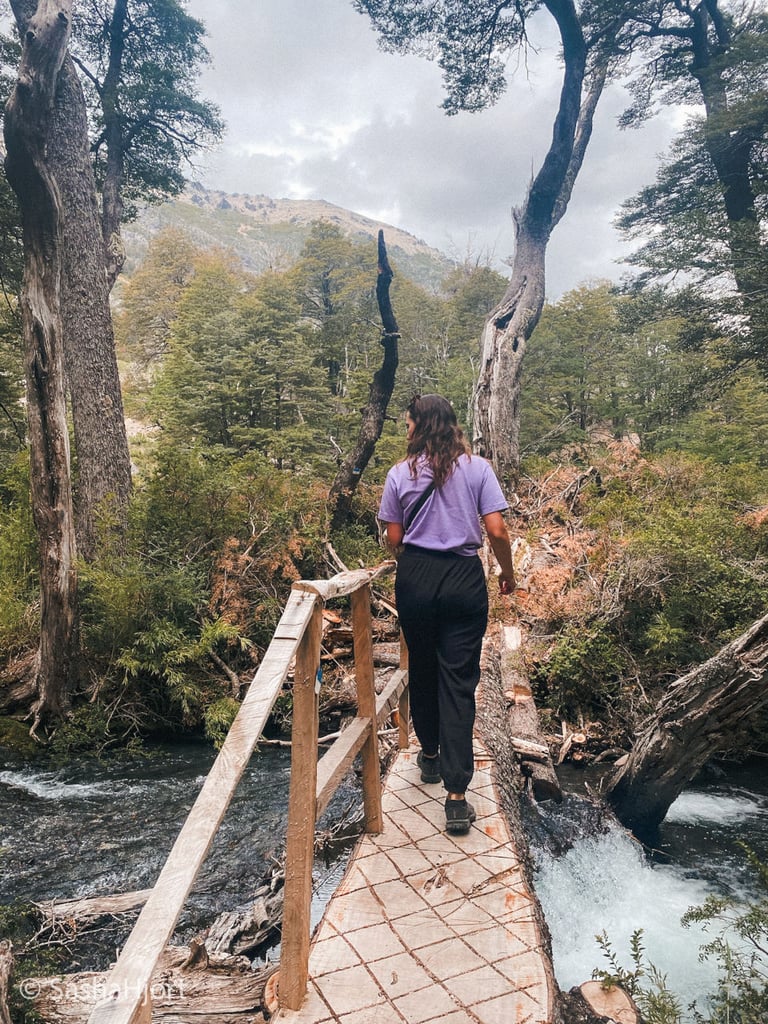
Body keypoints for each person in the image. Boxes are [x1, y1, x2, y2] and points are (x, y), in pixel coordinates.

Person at [378, 394, 516, 835]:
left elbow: (394, 537)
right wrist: (507, 573)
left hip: (416, 577)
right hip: (463, 577)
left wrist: (398, 543)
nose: (405, 430)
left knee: (422, 667)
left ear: (418, 426)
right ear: (452, 425)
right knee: (458, 680)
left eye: (407, 423)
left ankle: (431, 755)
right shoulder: (477, 469)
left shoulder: (400, 474)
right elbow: (496, 528)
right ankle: (457, 797)